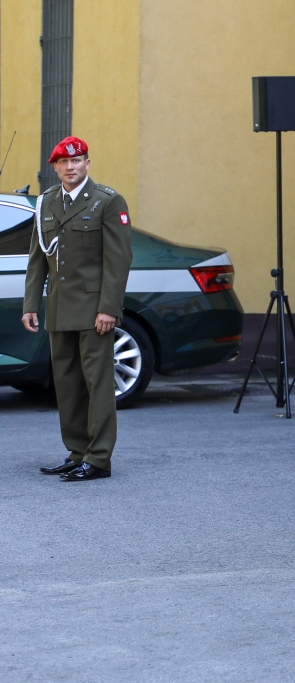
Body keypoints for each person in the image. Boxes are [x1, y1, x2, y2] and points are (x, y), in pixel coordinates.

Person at [22, 136, 133, 481]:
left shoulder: (107, 202)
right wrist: (31, 304)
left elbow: (119, 260)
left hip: (93, 311)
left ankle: (98, 458)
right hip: (58, 308)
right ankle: (77, 451)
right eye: (64, 163)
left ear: (88, 163)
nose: (71, 167)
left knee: (98, 384)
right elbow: (38, 257)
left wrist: (109, 308)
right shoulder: (46, 203)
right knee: (67, 385)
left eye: (78, 160)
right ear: (55, 167)